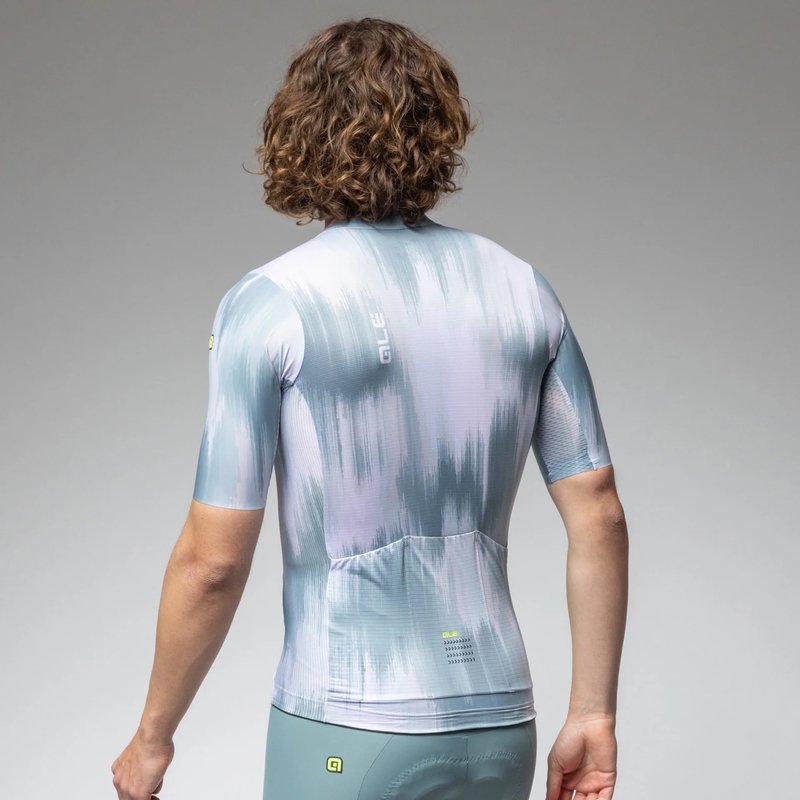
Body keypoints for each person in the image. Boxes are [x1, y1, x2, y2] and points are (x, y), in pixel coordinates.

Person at [111, 17, 628, 800]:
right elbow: (601, 514)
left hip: (345, 725)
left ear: (300, 134)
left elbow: (211, 563)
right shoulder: (524, 289)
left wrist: (153, 737)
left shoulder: (271, 302)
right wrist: (592, 714)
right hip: (499, 723)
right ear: (439, 131)